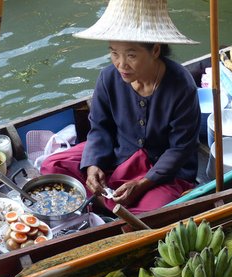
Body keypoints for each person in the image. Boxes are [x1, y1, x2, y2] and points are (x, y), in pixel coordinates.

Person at [40, 0, 201, 214]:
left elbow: (180, 149)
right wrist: (92, 165)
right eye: (114, 53)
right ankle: (110, 204)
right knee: (53, 167)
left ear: (155, 50)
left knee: (153, 212)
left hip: (161, 170)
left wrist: (143, 183)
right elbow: (100, 128)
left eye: (131, 55)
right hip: (119, 154)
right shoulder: (108, 78)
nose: (121, 64)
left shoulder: (181, 85)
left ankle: (103, 205)